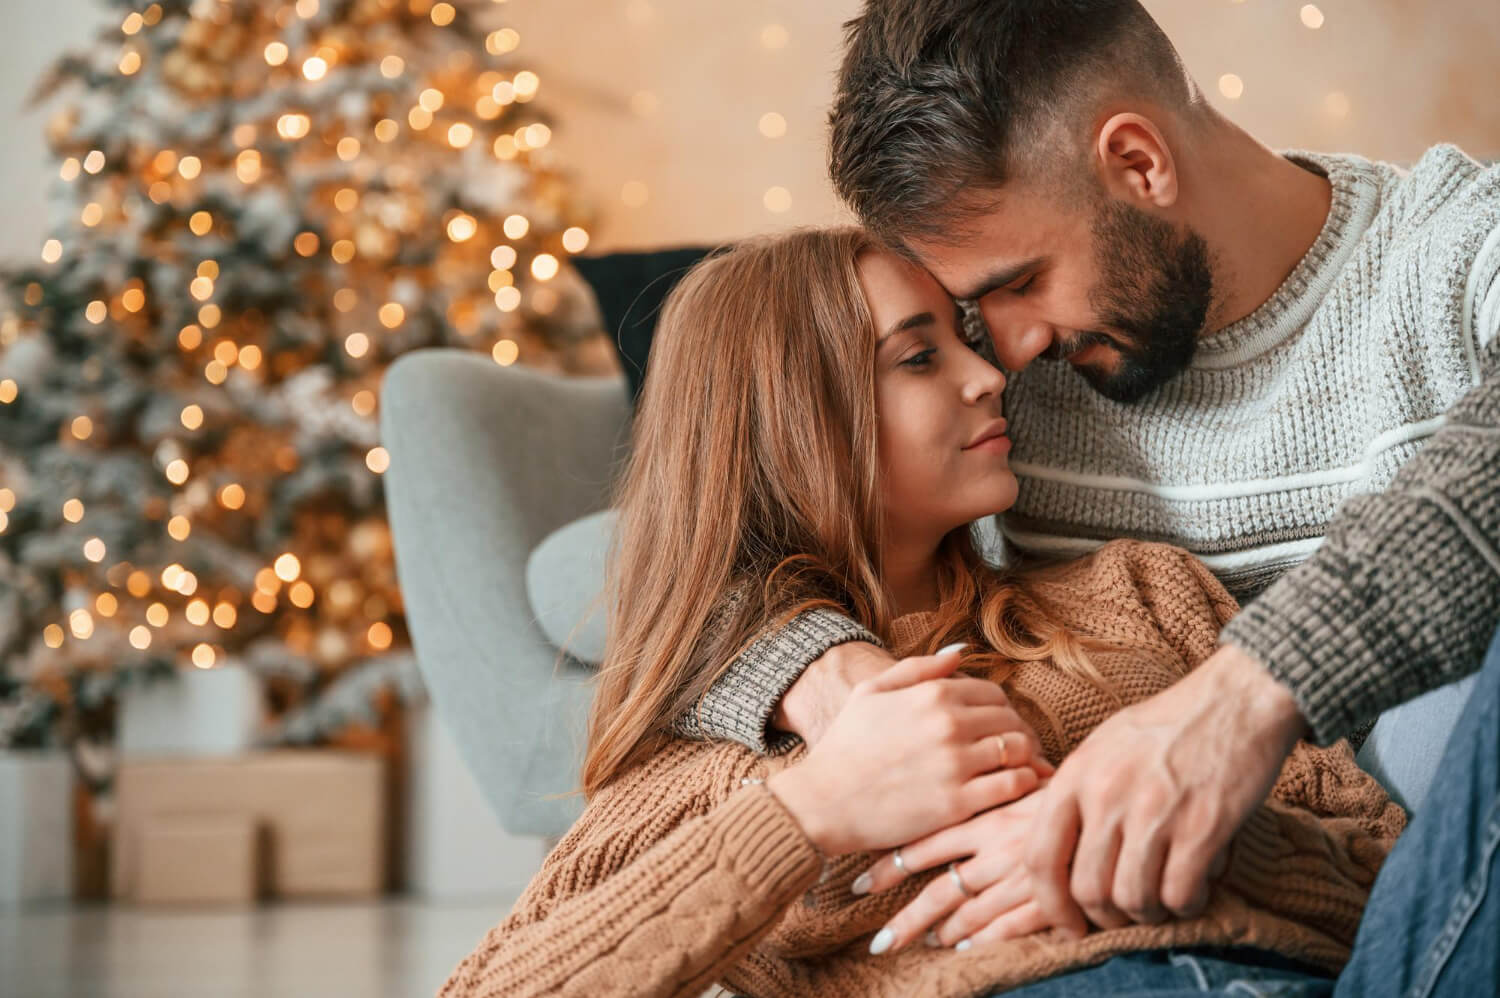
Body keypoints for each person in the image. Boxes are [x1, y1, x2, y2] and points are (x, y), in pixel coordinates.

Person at [672, 0, 1500, 961]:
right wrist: (821, 673)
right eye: (981, 304)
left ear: (1139, 163)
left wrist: (1246, 697)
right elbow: (697, 540)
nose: (1010, 347)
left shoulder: (1458, 248)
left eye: (1021, 281)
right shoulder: (1000, 370)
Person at [437, 228, 1410, 998]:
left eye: (962, 340)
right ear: (796, 424)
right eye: (916, 357)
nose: (988, 377)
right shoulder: (730, 755)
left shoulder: (1139, 595)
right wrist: (813, 809)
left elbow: (1395, 881)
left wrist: (1158, 835)